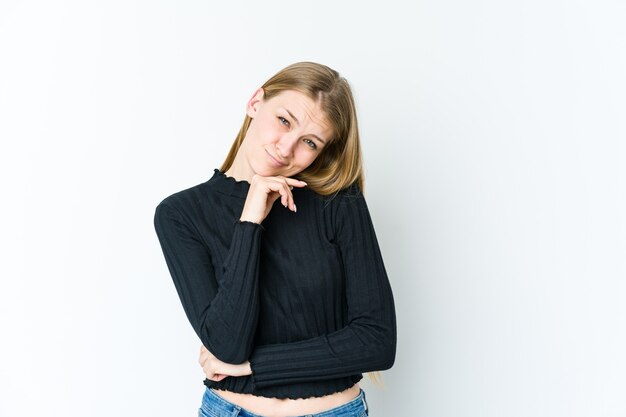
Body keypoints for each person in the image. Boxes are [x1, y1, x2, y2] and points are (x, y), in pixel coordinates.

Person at [154, 61, 396, 417]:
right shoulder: (181, 214)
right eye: (284, 120)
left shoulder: (338, 202)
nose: (286, 148)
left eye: (309, 142)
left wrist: (256, 366)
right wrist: (250, 221)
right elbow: (227, 345)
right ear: (255, 102)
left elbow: (376, 341)